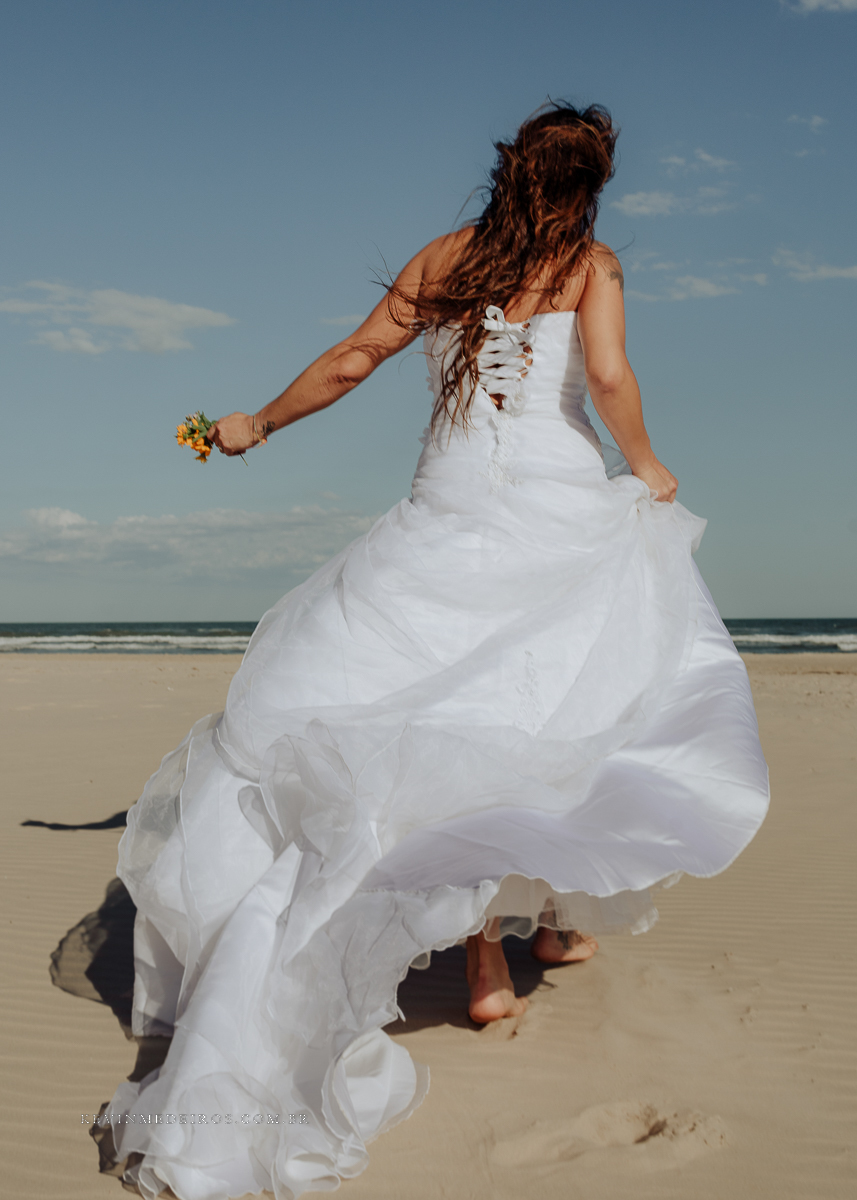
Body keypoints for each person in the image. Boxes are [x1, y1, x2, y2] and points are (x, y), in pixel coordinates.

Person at [98, 102, 769, 1200]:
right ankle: (531, 938)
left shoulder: (444, 258)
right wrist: (645, 464)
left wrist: (255, 424)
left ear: (508, 168)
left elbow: (356, 357)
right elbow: (602, 379)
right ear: (591, 183)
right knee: (557, 714)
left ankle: (497, 956)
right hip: (551, 513)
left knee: (429, 726)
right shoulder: (587, 260)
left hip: (442, 516)